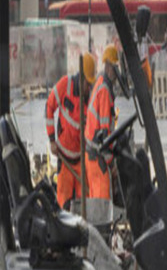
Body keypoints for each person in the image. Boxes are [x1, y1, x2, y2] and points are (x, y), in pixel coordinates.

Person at [45, 53, 97, 209]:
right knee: (64, 203)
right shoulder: (65, 85)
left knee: (85, 205)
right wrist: (52, 140)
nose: (89, 88)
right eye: (88, 84)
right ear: (80, 79)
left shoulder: (90, 99)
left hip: (81, 161)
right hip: (65, 159)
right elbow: (49, 107)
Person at [85, 45, 120, 200]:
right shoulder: (105, 91)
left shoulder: (99, 81)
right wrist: (112, 163)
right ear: (107, 66)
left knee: (95, 202)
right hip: (98, 157)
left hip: (91, 156)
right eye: (114, 67)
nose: (115, 73)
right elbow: (105, 135)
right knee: (102, 204)